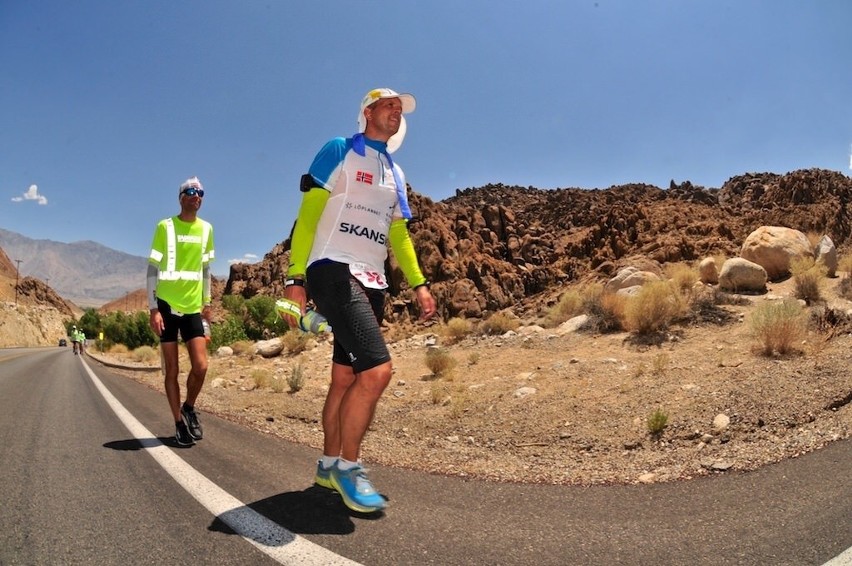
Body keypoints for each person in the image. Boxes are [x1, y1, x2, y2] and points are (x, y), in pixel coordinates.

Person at [281, 88, 437, 513]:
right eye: (389, 104)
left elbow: (398, 234)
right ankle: (350, 467)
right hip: (332, 268)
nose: (396, 110)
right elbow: (308, 215)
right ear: (367, 112)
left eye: (400, 108)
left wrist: (419, 283)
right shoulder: (339, 150)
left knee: (345, 379)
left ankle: (328, 465)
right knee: (377, 371)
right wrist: (296, 275)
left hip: (373, 281)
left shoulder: (395, 174)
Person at [147, 176, 215, 447]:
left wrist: (207, 304)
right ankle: (178, 423)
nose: (196, 195)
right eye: (190, 191)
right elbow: (153, 268)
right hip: (165, 305)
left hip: (192, 309)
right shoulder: (165, 227)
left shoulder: (207, 229)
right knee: (172, 370)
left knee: (201, 366)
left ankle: (189, 407)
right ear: (180, 197)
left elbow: (206, 270)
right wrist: (153, 309)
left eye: (200, 192)